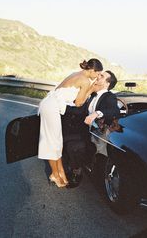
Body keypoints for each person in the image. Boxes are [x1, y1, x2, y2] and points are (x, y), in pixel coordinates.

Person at [38, 58, 103, 188]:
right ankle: (54, 175)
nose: (97, 77)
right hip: (52, 107)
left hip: (51, 105)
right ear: (91, 70)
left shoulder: (76, 73)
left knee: (57, 142)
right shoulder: (85, 80)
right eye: (97, 73)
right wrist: (90, 89)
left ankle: (60, 172)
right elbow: (78, 103)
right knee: (52, 142)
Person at [62, 70, 120, 188]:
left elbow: (114, 111)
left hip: (98, 135)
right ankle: (71, 165)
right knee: (64, 139)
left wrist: (96, 113)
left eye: (102, 76)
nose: (98, 76)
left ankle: (76, 173)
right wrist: (60, 107)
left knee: (73, 147)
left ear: (107, 84)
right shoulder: (93, 95)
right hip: (85, 131)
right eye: (99, 74)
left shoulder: (109, 97)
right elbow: (79, 110)